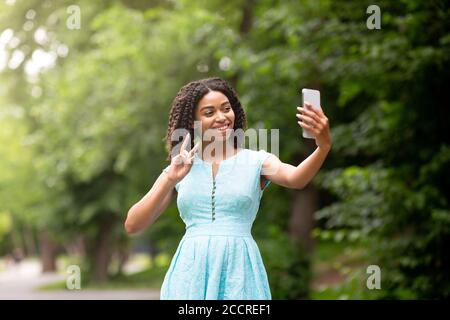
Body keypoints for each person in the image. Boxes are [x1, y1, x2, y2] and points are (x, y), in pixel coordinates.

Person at [124, 77, 332, 299]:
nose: (221, 117)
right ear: (193, 121)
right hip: (189, 278)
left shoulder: (257, 161)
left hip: (239, 274)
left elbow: (296, 178)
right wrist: (170, 178)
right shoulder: (180, 167)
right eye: (209, 112)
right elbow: (133, 224)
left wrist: (323, 146)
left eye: (226, 109)